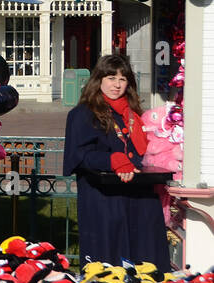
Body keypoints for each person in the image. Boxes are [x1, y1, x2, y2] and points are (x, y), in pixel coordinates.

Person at [64, 54, 170, 271]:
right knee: (110, 262)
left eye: (122, 79)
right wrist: (112, 160)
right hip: (105, 199)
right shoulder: (82, 114)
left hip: (139, 195)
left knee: (146, 259)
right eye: (111, 78)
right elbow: (79, 154)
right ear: (99, 80)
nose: (117, 84)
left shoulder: (133, 114)